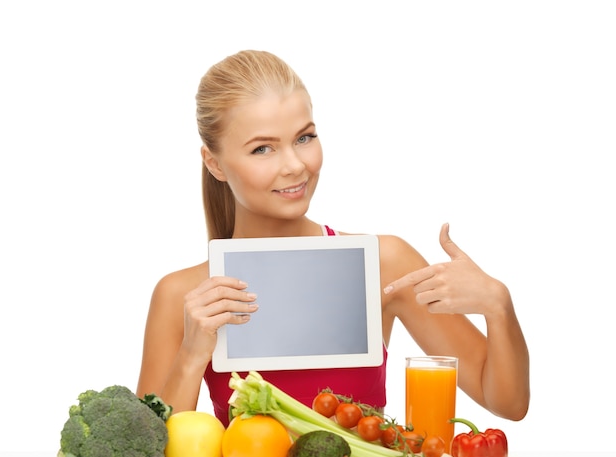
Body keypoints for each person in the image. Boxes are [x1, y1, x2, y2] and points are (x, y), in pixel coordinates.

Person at [136, 50, 530, 427]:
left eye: (304, 138)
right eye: (262, 148)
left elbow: (507, 403)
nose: (294, 165)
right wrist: (192, 353)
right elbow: (144, 452)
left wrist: (498, 304)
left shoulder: (383, 263)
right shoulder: (184, 296)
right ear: (215, 163)